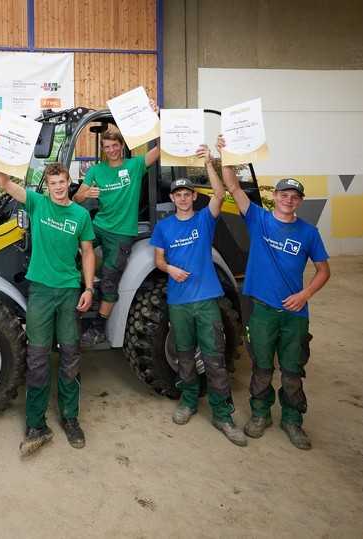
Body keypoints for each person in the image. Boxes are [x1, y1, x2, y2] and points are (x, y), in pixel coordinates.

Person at [0, 133, 96, 457]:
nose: (58, 187)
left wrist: (88, 287)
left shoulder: (80, 216)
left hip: (69, 292)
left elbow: (88, 252)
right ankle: (35, 424)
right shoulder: (37, 203)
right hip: (42, 293)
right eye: (53, 182)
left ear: (69, 183)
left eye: (62, 182)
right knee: (37, 358)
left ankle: (71, 419)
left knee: (71, 357)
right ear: (46, 186)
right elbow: (4, 182)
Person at [220, 137, 331, 450]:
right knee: (262, 367)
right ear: (276, 197)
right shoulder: (259, 219)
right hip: (264, 311)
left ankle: (293, 421)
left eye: (294, 196)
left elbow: (324, 271)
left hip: (295, 314)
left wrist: (305, 294)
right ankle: (260, 414)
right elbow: (232, 185)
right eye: (284, 194)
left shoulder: (309, 233)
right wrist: (226, 151)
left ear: (299, 201)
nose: (288, 200)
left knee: (293, 370)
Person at [149, 145, 246, 446]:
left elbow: (218, 194)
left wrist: (207, 162)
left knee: (215, 357)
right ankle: (189, 401)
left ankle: (222, 414)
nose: (182, 198)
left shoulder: (204, 220)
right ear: (172, 199)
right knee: (185, 356)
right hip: (178, 302)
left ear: (192, 197)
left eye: (187, 194)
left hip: (205, 301)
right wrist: (170, 270)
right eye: (177, 194)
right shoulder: (164, 228)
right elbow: (158, 260)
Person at [73, 101, 161, 346]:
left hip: (122, 232)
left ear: (122, 147)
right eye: (107, 147)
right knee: (69, 253)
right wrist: (85, 195)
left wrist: (154, 118)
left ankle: (99, 326)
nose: (111, 150)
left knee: (111, 279)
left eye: (114, 146)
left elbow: (159, 150)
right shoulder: (96, 171)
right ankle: (78, 301)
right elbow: (76, 198)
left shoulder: (134, 167)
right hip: (99, 226)